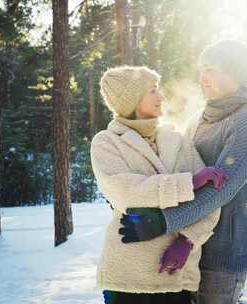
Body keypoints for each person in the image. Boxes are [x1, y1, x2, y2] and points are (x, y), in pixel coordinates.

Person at [119, 40, 247, 304]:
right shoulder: (200, 118)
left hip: (221, 254)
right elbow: (175, 168)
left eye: (211, 69)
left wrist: (164, 223)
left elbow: (221, 189)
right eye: (201, 69)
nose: (202, 77)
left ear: (234, 72)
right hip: (183, 249)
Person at [91, 66, 225, 304]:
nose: (160, 96)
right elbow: (126, 193)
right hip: (127, 278)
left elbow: (211, 197)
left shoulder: (178, 140)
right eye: (152, 90)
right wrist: (189, 183)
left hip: (175, 275)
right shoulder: (107, 143)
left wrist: (188, 239)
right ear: (131, 100)